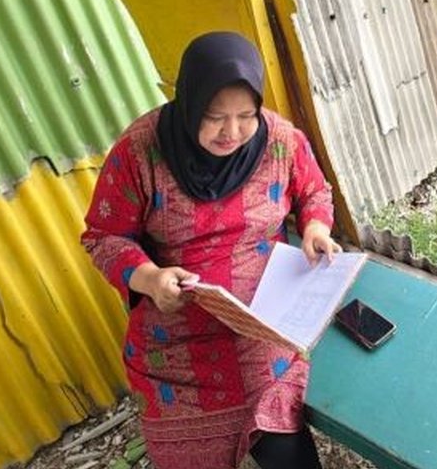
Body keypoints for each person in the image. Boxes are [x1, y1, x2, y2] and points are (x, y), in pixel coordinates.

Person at [82, 31, 340, 469]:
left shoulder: (279, 140)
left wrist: (315, 227)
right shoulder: (140, 151)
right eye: (215, 116)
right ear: (188, 103)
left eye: (246, 116)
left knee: (285, 445)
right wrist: (149, 278)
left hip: (262, 317)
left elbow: (314, 190)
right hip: (177, 327)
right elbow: (103, 236)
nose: (233, 133)